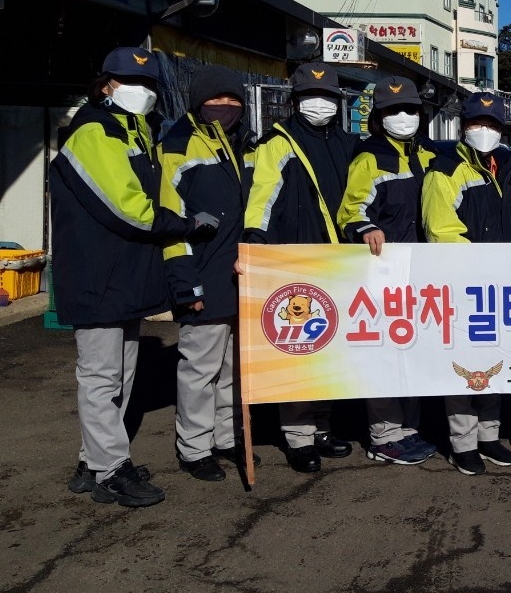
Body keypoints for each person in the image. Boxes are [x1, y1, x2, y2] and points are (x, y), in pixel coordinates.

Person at [51, 47, 215, 507]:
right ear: (105, 85)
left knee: (120, 376)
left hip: (121, 277)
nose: (142, 92)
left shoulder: (138, 130)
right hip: (97, 276)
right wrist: (185, 224)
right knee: (102, 377)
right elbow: (128, 209)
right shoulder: (94, 131)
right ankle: (111, 470)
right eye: (130, 82)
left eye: (149, 84)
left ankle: (93, 462)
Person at [244, 62, 358, 473]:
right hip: (295, 260)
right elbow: (263, 196)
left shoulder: (349, 143)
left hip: (340, 259)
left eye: (327, 97)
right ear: (296, 101)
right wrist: (254, 242)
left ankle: (323, 427)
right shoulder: (278, 142)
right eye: (311, 96)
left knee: (331, 351)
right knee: (300, 350)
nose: (319, 103)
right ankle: (298, 435)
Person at [421, 91, 511, 476]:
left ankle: (489, 436)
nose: (484, 129)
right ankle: (463, 443)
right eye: (476, 123)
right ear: (463, 126)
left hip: (505, 284)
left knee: (493, 363)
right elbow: (440, 230)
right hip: (464, 285)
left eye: (492, 123)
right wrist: (477, 268)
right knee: (464, 366)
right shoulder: (445, 169)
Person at [336, 76, 439, 468]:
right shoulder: (369, 158)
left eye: (410, 109)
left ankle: (408, 429)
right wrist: (365, 228)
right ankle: (384, 436)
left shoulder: (428, 155)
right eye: (393, 110)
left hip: (423, 274)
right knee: (385, 353)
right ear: (378, 118)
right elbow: (351, 210)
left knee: (412, 352)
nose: (403, 116)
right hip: (384, 274)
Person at [159, 65, 255, 482]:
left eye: (233, 100)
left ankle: (226, 436)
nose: (225, 107)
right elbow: (169, 223)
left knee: (235, 367)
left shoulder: (248, 144)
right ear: (198, 102)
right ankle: (194, 448)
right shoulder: (177, 147)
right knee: (200, 369)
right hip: (202, 275)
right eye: (216, 100)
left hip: (243, 278)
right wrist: (185, 284)